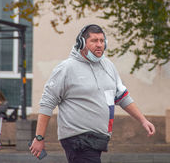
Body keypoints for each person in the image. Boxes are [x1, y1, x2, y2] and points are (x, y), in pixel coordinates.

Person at [30, 24, 155, 163]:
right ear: (82, 43)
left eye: (102, 41)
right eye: (94, 41)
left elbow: (122, 97)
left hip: (98, 139)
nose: (99, 45)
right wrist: (39, 138)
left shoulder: (108, 66)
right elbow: (47, 102)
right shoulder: (66, 68)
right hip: (77, 138)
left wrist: (143, 120)